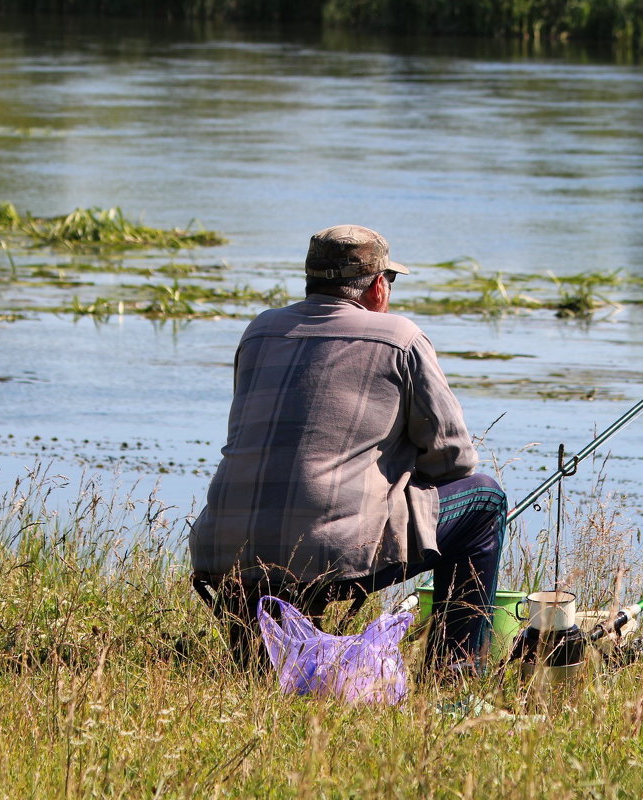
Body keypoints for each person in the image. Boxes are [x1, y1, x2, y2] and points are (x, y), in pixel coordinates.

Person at [189, 224, 507, 674]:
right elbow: (456, 459)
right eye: (390, 281)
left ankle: (263, 655)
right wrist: (399, 475)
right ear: (378, 286)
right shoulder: (400, 338)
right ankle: (455, 679)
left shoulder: (259, 332)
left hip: (222, 554)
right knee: (485, 498)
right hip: (331, 560)